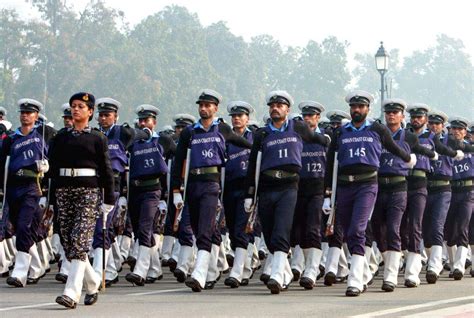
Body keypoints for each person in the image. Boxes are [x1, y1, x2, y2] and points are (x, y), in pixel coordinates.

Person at [325, 90, 416, 297]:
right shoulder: (341, 132)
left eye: (361, 107)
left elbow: (393, 147)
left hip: (367, 185)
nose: (357, 110)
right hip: (345, 186)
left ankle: (355, 280)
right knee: (349, 233)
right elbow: (331, 163)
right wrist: (327, 194)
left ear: (367, 109)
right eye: (354, 107)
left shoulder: (377, 129)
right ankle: (364, 274)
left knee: (357, 230)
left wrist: (408, 158)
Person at [245, 91, 331, 294]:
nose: (275, 108)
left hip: (289, 186)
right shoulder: (262, 134)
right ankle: (284, 272)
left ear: (287, 109)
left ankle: (277, 275)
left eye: (280, 105)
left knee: (282, 230)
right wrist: (250, 193)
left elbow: (312, 137)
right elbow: (252, 165)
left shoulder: (298, 126)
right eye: (272, 105)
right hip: (267, 187)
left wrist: (327, 140)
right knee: (268, 232)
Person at [171, 89, 251, 292]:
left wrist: (256, 146)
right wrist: (175, 191)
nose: (204, 108)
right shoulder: (190, 132)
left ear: (215, 108)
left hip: (212, 184)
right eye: (201, 105)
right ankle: (213, 270)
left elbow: (239, 141)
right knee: (199, 229)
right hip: (192, 184)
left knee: (206, 229)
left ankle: (199, 274)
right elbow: (178, 161)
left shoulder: (222, 129)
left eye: (208, 105)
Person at [48, 92, 115, 308]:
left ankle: (71, 292)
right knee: (69, 243)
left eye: (80, 106)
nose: (75, 110)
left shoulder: (97, 137)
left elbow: (106, 170)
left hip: (89, 191)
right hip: (65, 190)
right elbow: (54, 169)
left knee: (80, 240)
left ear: (90, 112)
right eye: (73, 106)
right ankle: (93, 281)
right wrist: (49, 197)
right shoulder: (60, 137)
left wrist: (109, 198)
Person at [371, 99, 435, 292]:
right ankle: (392, 261)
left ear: (402, 116)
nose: (391, 115)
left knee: (407, 227)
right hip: (380, 186)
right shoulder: (377, 134)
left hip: (404, 186)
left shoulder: (408, 137)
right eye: (388, 112)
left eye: (395, 112)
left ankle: (408, 273)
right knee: (377, 229)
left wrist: (433, 155)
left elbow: (420, 151)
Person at [0, 98, 56, 287]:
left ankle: (20, 272)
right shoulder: (11, 139)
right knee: (21, 229)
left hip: (31, 186)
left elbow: (51, 156)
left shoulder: (42, 134)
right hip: (13, 186)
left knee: (24, 226)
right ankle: (37, 265)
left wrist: (46, 167)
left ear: (36, 116)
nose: (25, 116)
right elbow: (3, 164)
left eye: (29, 113)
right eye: (23, 113)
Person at [124, 104, 175, 286]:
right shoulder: (133, 142)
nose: (143, 123)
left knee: (146, 228)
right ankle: (155, 268)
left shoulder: (163, 141)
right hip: (135, 190)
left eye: (147, 120)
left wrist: (168, 196)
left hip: (153, 190)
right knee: (140, 232)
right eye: (141, 120)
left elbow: (178, 160)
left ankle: (140, 270)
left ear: (154, 122)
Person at [423, 110, 465, 284]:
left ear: (443, 127)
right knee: (426, 231)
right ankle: (434, 259)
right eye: (431, 123)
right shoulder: (423, 141)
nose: (434, 126)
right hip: (425, 188)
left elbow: (465, 146)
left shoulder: (451, 142)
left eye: (437, 124)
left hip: (444, 189)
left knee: (439, 226)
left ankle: (436, 264)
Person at [290, 101, 328, 290]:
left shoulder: (325, 138)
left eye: (311, 116)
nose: (307, 119)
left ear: (318, 118)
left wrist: (329, 194)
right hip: (298, 188)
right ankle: (306, 265)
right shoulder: (296, 139)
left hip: (318, 188)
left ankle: (312, 270)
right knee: (298, 232)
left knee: (313, 228)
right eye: (304, 116)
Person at [222, 101, 255, 288]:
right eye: (234, 116)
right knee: (234, 231)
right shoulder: (226, 138)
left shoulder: (254, 137)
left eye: (240, 116)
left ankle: (237, 271)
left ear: (247, 119)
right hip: (230, 188)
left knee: (242, 229)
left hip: (246, 188)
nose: (236, 119)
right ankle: (247, 265)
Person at [444, 117, 474, 280]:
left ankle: (459, 266)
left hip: (468, 192)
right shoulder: (445, 149)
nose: (456, 131)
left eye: (459, 129)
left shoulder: (471, 149)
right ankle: (453, 260)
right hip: (450, 190)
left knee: (463, 227)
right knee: (449, 230)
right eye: (453, 129)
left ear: (465, 132)